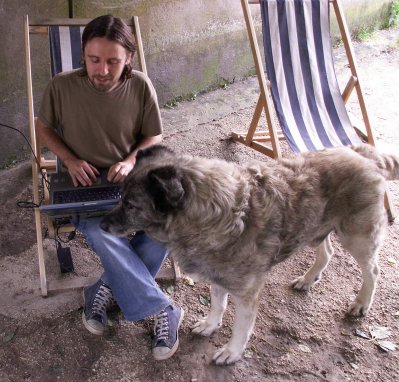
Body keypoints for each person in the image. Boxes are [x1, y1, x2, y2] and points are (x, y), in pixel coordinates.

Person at [36, 15, 183, 361]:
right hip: (83, 182)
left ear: (128, 58)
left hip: (132, 180)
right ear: (84, 55)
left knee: (164, 228)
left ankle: (103, 288)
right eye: (93, 60)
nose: (102, 70)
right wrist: (70, 160)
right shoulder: (61, 86)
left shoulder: (141, 86)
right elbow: (44, 128)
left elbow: (153, 135)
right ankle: (164, 309)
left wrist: (132, 160)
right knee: (103, 230)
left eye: (112, 61)